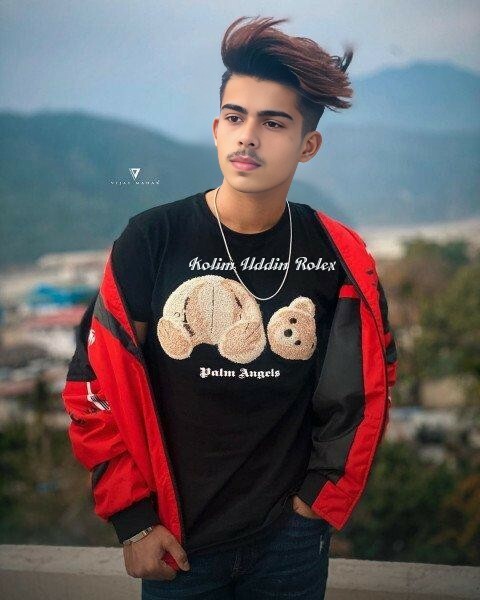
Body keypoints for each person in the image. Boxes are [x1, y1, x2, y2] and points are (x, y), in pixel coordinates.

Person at [62, 15, 398, 599]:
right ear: (217, 129)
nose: (249, 137)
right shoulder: (152, 239)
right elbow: (92, 386)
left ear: (308, 145)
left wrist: (318, 502)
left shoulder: (338, 254)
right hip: (176, 541)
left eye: (274, 122)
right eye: (236, 118)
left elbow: (367, 386)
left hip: (289, 540)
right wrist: (133, 520)